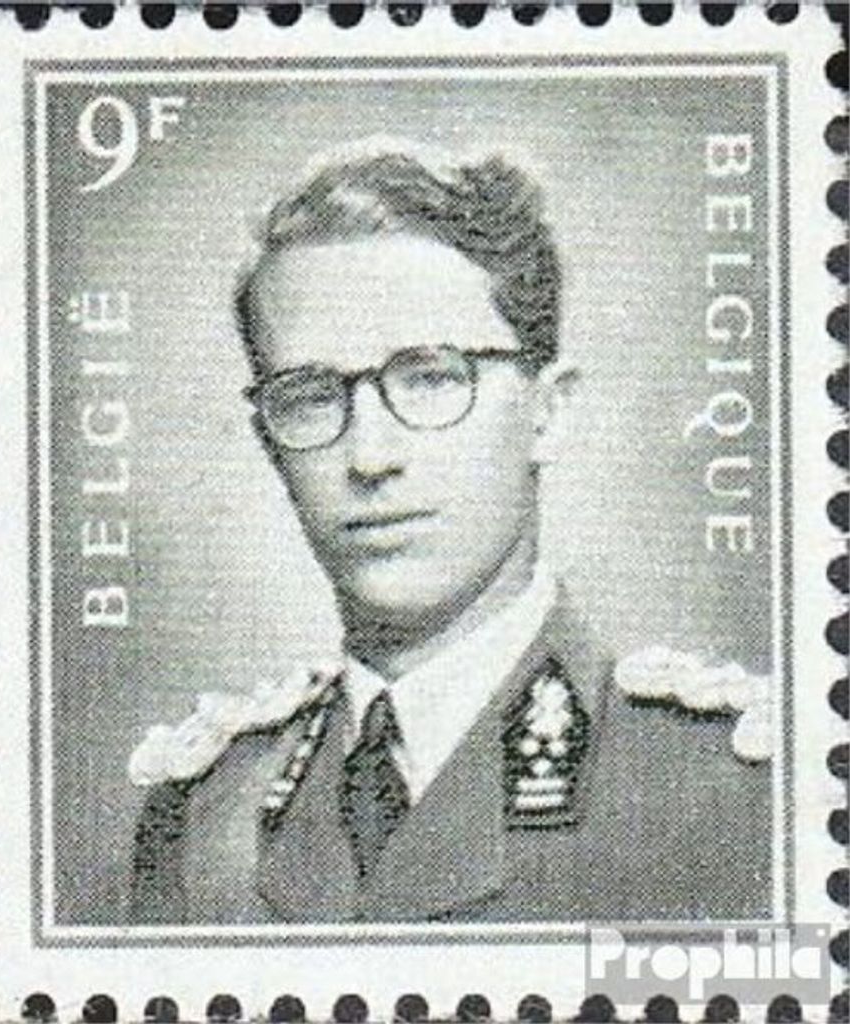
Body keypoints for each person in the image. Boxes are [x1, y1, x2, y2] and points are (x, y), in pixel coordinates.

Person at [128, 138, 771, 926]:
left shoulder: (727, 795)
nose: (369, 457)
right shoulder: (203, 820)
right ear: (268, 438)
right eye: (309, 396)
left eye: (432, 378)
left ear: (547, 413)